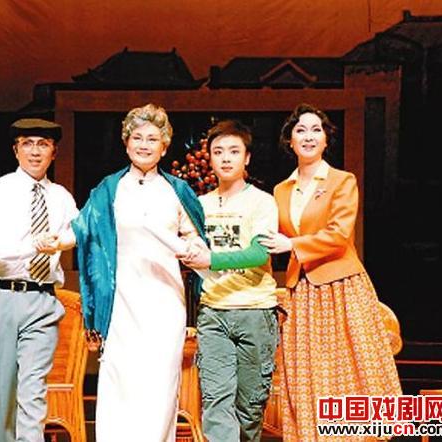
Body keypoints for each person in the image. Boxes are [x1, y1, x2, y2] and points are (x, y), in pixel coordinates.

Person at [259, 103, 401, 441]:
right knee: (306, 371)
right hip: (301, 289)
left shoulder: (342, 181)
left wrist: (292, 245)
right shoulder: (280, 190)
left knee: (349, 367)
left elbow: (339, 234)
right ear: (289, 141)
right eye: (300, 130)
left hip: (340, 284)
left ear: (326, 140)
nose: (308, 136)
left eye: (316, 130)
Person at [71, 103, 207, 441]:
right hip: (121, 300)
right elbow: (82, 230)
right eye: (137, 137)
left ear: (165, 146)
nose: (144, 145)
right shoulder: (109, 189)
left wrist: (194, 249)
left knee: (160, 384)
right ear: (126, 142)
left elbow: (195, 239)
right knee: (120, 382)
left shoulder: (177, 190)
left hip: (164, 300)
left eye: (152, 139)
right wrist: (52, 242)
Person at [0, 118, 78, 442]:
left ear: (54, 152)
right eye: (28, 144)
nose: (35, 151)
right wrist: (35, 245)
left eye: (43, 144)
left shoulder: (61, 196)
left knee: (33, 390)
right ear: (16, 150)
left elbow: (76, 233)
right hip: (0, 297)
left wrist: (62, 242)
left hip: (42, 300)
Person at [180, 120, 279, 442]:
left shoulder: (262, 202)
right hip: (213, 313)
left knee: (250, 407)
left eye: (234, 151)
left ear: (247, 158)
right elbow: (191, 247)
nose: (225, 158)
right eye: (218, 151)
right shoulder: (200, 205)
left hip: (256, 313)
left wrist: (212, 260)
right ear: (209, 157)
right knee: (216, 401)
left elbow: (259, 254)